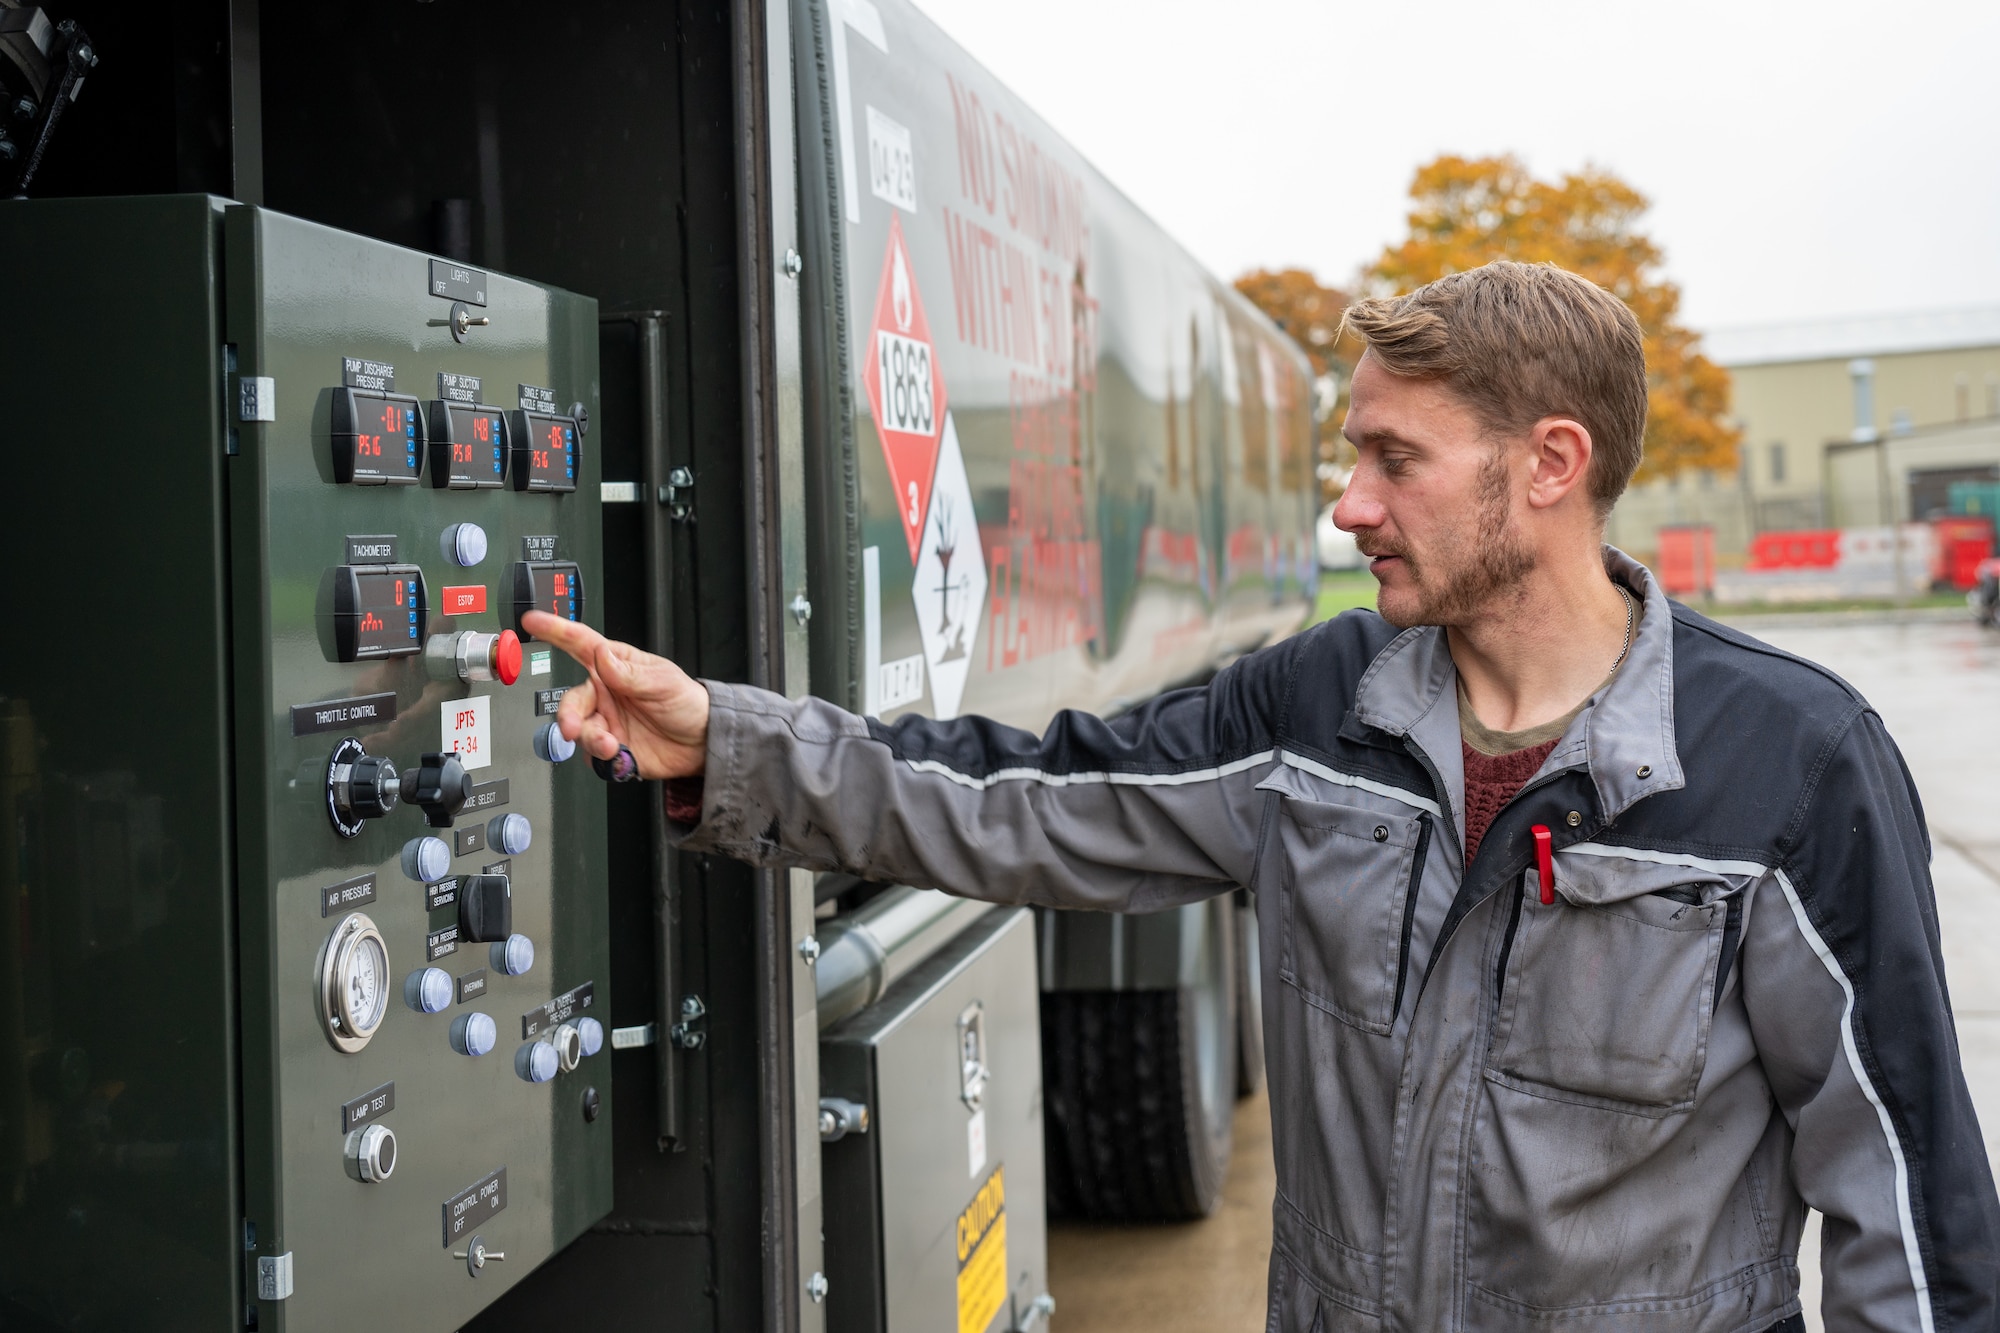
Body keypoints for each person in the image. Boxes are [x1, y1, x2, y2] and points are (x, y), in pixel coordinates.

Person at [522, 260, 1999, 1331]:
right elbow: (1032, 794)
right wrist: (727, 739)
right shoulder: (1314, 714)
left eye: (1390, 458)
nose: (1346, 504)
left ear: (1552, 465)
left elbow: (1911, 1204)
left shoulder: (1787, 763)